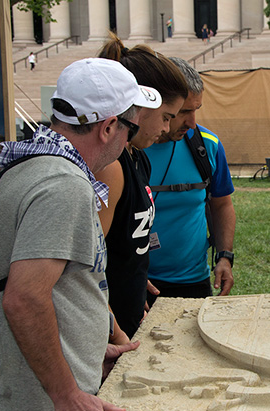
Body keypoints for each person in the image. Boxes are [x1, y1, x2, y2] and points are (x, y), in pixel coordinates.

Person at [0, 58, 149, 411]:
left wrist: (83, 349)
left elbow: (51, 289)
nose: (129, 141)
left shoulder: (34, 165)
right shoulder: (63, 186)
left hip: (17, 402)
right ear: (107, 127)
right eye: (129, 129)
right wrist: (68, 397)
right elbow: (24, 299)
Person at [96, 34, 189, 340]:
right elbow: (87, 265)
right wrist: (111, 327)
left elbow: (126, 242)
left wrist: (135, 281)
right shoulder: (112, 166)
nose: (166, 128)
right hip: (106, 332)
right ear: (140, 104)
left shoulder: (139, 158)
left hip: (128, 314)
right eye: (166, 117)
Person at [144, 57, 236, 301]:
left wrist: (225, 256)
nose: (192, 122)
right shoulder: (130, 149)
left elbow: (222, 204)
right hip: (140, 282)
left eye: (196, 110)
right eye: (184, 111)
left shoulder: (208, 145)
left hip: (193, 280)